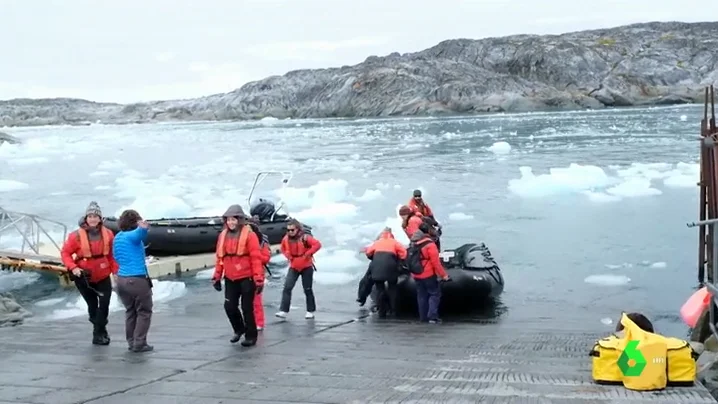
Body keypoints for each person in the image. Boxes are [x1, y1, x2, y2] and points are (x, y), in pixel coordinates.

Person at [60, 201, 118, 345]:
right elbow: (65, 253)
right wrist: (73, 267)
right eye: (90, 216)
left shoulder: (109, 234)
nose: (93, 219)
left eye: (95, 216)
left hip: (103, 275)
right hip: (84, 277)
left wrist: (115, 272)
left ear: (100, 218)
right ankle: (99, 332)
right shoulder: (76, 236)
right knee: (92, 305)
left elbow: (111, 255)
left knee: (104, 305)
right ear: (86, 218)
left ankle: (99, 331)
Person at [211, 205, 264, 346]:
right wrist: (217, 276)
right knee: (229, 306)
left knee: (247, 308)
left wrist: (259, 279)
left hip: (247, 277)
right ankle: (239, 329)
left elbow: (256, 258)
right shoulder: (222, 236)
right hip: (230, 278)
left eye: (233, 219)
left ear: (239, 220)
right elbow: (220, 258)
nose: (231, 223)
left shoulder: (250, 236)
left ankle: (251, 336)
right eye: (228, 220)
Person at [112, 209, 154, 353]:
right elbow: (139, 234)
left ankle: (131, 342)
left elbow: (115, 257)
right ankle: (140, 343)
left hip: (121, 280)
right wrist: (143, 227)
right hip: (136, 279)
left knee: (130, 311)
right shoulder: (132, 236)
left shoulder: (117, 237)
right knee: (144, 311)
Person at [276, 219, 322, 319]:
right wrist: (287, 255)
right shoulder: (286, 239)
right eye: (288, 230)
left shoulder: (305, 237)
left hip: (306, 267)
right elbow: (283, 248)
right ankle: (283, 310)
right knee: (287, 287)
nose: (290, 232)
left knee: (307, 289)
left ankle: (310, 310)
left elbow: (317, 244)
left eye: (292, 230)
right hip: (294, 266)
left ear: (298, 229)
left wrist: (308, 253)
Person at [364, 227, 407, 318]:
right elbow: (404, 253)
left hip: (377, 269)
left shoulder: (377, 242)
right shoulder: (395, 243)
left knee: (380, 290)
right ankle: (394, 311)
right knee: (392, 289)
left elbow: (368, 253)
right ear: (391, 235)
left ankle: (381, 312)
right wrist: (400, 261)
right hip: (390, 268)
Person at [409, 230, 450, 323]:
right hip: (428, 274)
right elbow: (436, 263)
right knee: (434, 294)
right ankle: (432, 316)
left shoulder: (412, 245)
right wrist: (444, 275)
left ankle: (423, 317)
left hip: (416, 274)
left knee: (421, 295)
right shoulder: (430, 245)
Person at [249, 215, 271, 331]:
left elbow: (266, 257)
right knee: (247, 301)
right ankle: (250, 321)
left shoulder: (263, 240)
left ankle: (259, 322)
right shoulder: (242, 238)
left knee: (257, 300)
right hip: (246, 273)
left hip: (258, 273)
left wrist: (255, 256)